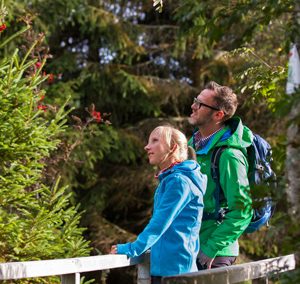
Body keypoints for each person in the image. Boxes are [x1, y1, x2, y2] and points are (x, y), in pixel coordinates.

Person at [110, 125, 207, 284]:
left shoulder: (179, 182)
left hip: (175, 272)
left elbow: (159, 224)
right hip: (171, 268)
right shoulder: (172, 180)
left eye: (155, 141)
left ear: (172, 148)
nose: (147, 147)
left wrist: (132, 248)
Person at [188, 81, 253, 270]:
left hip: (214, 254)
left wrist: (211, 249)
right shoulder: (192, 145)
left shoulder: (229, 155)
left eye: (200, 104)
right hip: (190, 245)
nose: (193, 106)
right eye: (195, 100)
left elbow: (243, 210)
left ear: (218, 114)